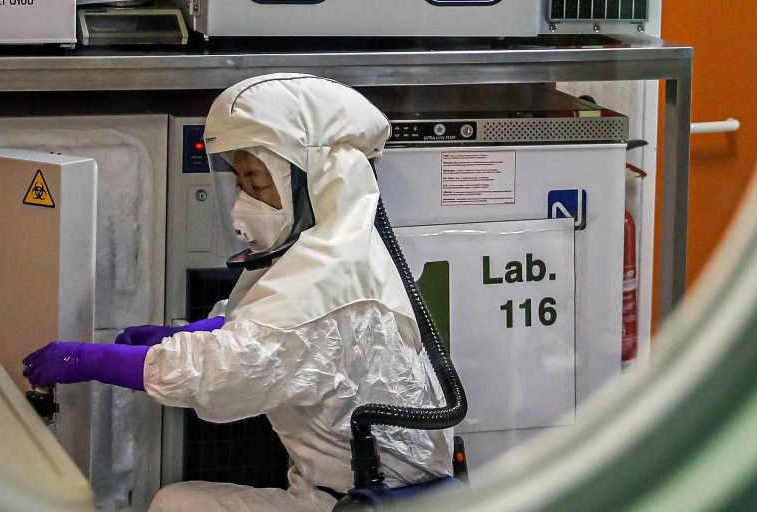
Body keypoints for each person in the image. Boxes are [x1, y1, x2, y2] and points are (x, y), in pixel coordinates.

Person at [24, 73, 453, 510]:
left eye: (258, 184)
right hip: (341, 494)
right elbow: (253, 327)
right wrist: (171, 337)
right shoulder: (342, 262)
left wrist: (86, 359)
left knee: (177, 506)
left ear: (315, 184)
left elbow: (220, 370)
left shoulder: (329, 292)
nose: (240, 206)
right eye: (240, 183)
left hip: (369, 504)